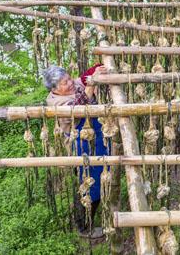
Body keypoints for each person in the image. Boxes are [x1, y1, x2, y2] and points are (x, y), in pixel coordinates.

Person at [43, 64, 108, 239]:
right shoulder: (56, 102)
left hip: (96, 138)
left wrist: (98, 68)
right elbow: (77, 110)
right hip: (81, 145)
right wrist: (90, 88)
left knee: (98, 177)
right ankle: (84, 227)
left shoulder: (74, 85)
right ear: (55, 88)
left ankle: (88, 216)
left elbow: (84, 77)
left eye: (69, 78)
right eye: (65, 82)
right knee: (89, 184)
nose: (71, 83)